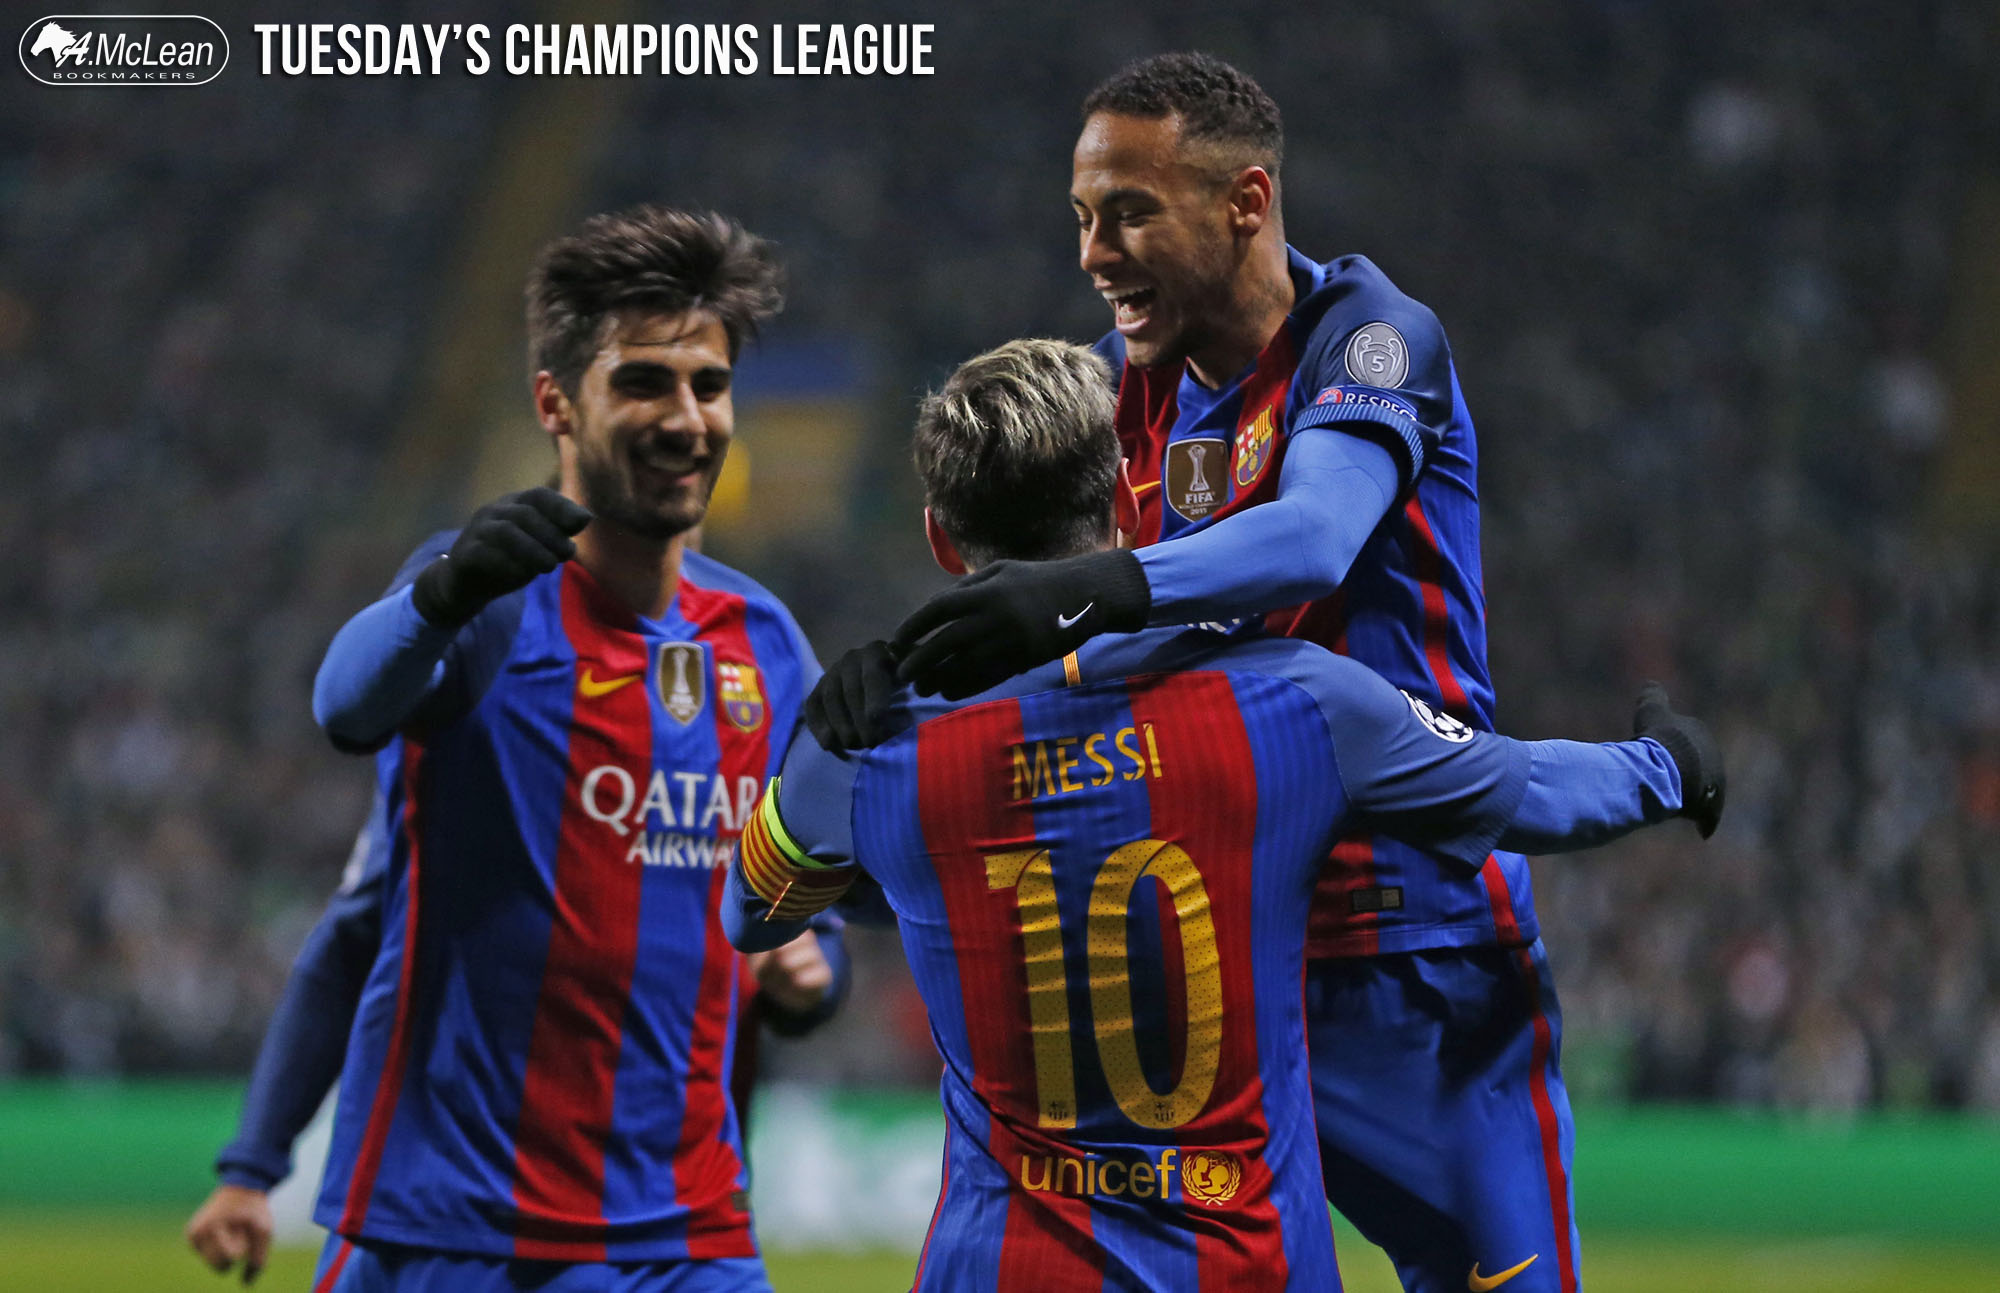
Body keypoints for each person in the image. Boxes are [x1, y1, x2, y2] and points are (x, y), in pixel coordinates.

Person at [812, 54, 1724, 1293]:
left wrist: (1098, 591)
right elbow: (1040, 601)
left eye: (1127, 213)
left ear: (1244, 202)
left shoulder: (1369, 340)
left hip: (1407, 942)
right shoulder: (1113, 389)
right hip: (1216, 951)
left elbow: (1314, 536)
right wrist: (902, 701)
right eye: (1080, 218)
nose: (1092, 253)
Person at [284, 205, 836, 1293]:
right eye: (644, 383)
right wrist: (441, 596)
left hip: (691, 1233)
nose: (686, 418)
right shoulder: (487, 599)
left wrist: (813, 970)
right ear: (555, 402)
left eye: (709, 385)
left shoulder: (765, 641)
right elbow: (346, 705)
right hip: (465, 1228)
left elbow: (820, 881)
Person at [183, 796, 848, 1285]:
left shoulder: (765, 682)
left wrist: (812, 978)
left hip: (683, 1220)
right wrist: (253, 1162)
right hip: (462, 1212)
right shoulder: (486, 718)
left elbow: (817, 943)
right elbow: (349, 943)